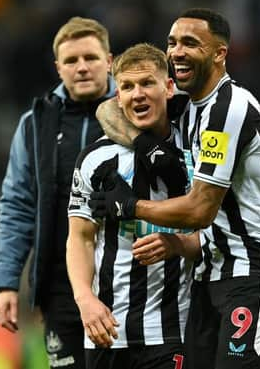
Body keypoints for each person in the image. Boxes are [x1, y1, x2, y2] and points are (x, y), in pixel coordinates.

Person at [91, 7, 260, 369]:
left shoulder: (228, 109)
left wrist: (131, 206)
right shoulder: (187, 106)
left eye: (190, 43)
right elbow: (109, 110)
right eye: (172, 43)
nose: (176, 52)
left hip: (255, 270)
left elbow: (200, 209)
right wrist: (146, 146)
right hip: (210, 270)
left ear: (219, 54)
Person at [0, 16, 117, 369]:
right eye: (71, 61)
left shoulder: (136, 112)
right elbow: (16, 206)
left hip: (128, 283)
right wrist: (5, 282)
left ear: (109, 61)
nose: (82, 67)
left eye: (91, 58)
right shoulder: (36, 123)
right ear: (57, 67)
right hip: (60, 286)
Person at [66, 43, 198, 369]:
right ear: (117, 97)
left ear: (169, 87)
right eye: (127, 86)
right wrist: (85, 299)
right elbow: (80, 237)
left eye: (147, 83)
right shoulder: (96, 158)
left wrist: (178, 244)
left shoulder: (194, 149)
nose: (137, 93)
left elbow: (216, 228)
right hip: (107, 328)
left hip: (173, 329)